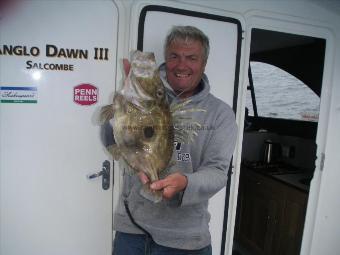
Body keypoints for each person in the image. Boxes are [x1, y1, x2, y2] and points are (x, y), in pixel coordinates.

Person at [113, 25, 237, 255]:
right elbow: (111, 139)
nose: (182, 65)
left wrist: (186, 183)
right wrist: (121, 107)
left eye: (191, 58)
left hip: (185, 241)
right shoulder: (145, 94)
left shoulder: (221, 114)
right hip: (131, 231)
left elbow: (218, 172)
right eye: (174, 56)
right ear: (166, 59)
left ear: (204, 63)